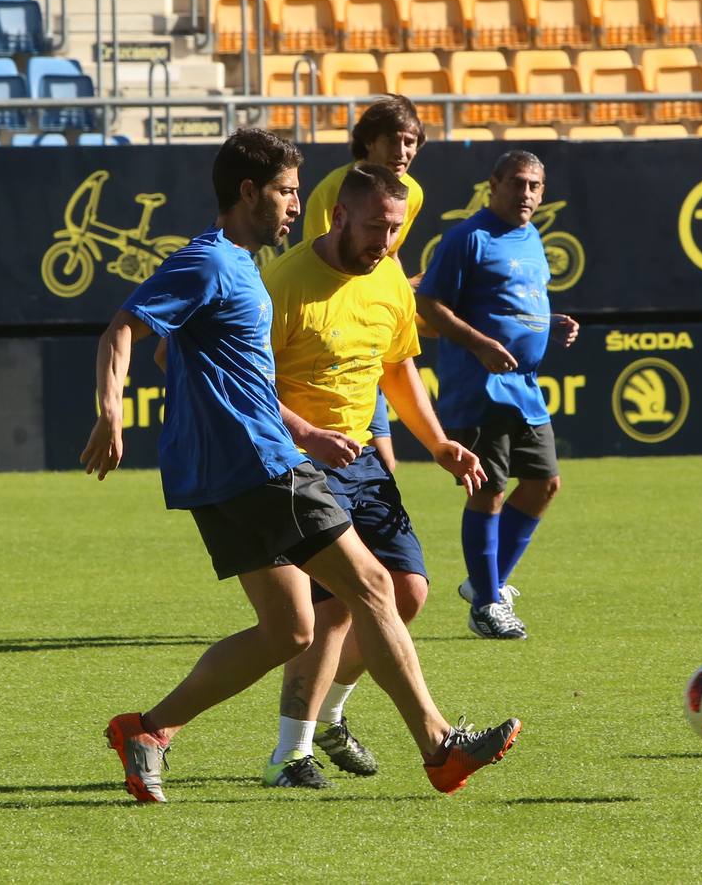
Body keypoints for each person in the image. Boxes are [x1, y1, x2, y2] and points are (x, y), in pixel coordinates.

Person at [82, 128, 521, 802]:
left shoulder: (242, 269)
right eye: (287, 191)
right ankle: (438, 747)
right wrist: (111, 413)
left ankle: (148, 729)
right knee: (375, 586)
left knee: (290, 629)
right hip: (259, 467)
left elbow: (235, 377)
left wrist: (308, 428)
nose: (296, 203)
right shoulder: (211, 263)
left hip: (219, 478)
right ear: (249, 192)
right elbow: (124, 328)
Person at [261, 163, 479, 787]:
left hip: (360, 460)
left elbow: (398, 369)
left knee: (408, 592)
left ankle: (327, 717)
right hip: (298, 464)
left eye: (396, 229)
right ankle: (293, 753)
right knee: (341, 605)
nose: (385, 242)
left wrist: (438, 444)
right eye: (376, 227)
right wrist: (306, 434)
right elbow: (249, 387)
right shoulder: (283, 284)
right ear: (338, 217)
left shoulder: (388, 279)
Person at [415, 150, 580, 641]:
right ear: (494, 184)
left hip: (524, 387)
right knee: (489, 489)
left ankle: (486, 583)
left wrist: (550, 325)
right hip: (480, 386)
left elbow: (513, 306)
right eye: (517, 183)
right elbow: (430, 302)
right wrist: (479, 344)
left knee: (544, 483)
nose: (525, 192)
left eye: (534, 185)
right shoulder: (469, 237)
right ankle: (487, 603)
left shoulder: (530, 238)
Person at [303, 94, 428, 474]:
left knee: (382, 468)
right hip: (328, 340)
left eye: (411, 141)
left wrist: (404, 293)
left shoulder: (412, 192)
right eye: (394, 140)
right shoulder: (335, 189)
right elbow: (324, 265)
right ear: (369, 141)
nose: (403, 150)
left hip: (370, 334)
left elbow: (386, 258)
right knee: (345, 467)